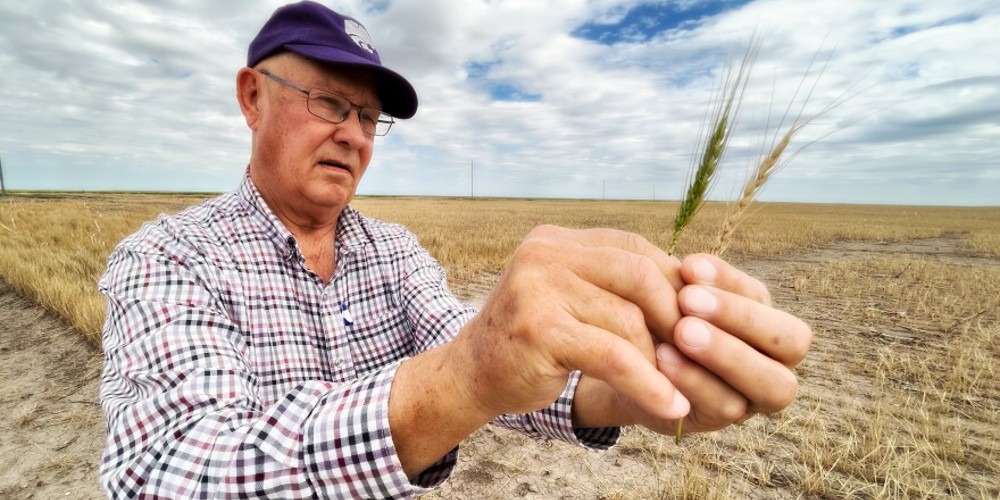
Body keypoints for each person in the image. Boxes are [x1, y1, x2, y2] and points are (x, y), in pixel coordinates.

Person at [97, 2, 812, 498]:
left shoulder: (395, 252)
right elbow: (166, 471)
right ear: (252, 97)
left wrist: (617, 389)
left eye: (370, 117)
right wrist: (459, 381)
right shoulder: (168, 256)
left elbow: (490, 358)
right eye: (330, 103)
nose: (354, 133)